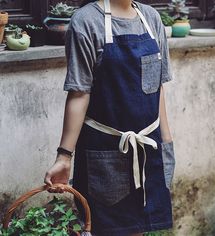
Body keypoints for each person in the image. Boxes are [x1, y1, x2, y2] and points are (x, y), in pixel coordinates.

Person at [44, 0, 175, 235]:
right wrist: (64, 156)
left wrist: (167, 145)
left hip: (148, 151)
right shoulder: (86, 21)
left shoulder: (152, 18)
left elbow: (158, 88)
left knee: (139, 229)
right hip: (104, 154)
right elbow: (79, 92)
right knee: (107, 229)